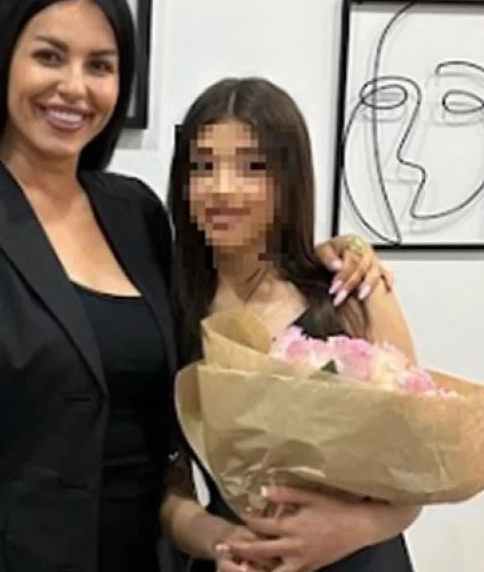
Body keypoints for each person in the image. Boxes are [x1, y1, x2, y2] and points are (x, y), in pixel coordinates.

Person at [0, 0, 392, 572]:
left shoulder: (133, 213)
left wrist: (330, 255)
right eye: (49, 57)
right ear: (2, 62)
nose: (74, 87)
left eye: (100, 66)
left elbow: (169, 422)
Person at [164, 77, 422, 572]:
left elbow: (417, 471)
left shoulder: (351, 294)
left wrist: (349, 529)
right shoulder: (170, 310)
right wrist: (222, 541)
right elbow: (164, 482)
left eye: (251, 167)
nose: (222, 188)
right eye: (203, 166)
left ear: (288, 180)